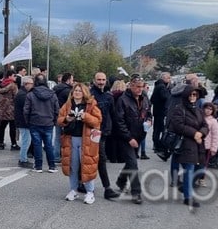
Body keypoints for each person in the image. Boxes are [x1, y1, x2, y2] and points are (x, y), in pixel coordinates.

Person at [57, 82, 102, 204]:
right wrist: (66, 119)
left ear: (84, 93)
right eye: (75, 90)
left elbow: (97, 121)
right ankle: (73, 190)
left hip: (86, 140)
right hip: (71, 139)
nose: (77, 93)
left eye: (80, 91)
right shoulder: (67, 105)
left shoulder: (91, 104)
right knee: (73, 166)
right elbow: (59, 120)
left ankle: (90, 192)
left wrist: (85, 116)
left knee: (87, 166)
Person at [113, 76, 151, 204]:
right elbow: (119, 121)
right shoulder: (123, 100)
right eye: (138, 87)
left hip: (139, 135)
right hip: (126, 137)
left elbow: (148, 113)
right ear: (131, 86)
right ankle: (136, 192)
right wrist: (129, 138)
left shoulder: (144, 98)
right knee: (133, 163)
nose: (140, 89)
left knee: (130, 162)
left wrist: (149, 120)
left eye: (142, 86)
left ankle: (121, 180)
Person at [168, 86, 208, 208]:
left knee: (198, 169)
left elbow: (205, 125)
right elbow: (178, 126)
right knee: (189, 169)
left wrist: (201, 133)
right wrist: (194, 133)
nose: (192, 97)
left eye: (194, 95)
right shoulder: (179, 109)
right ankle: (188, 197)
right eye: (190, 95)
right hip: (185, 143)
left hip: (198, 144)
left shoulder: (199, 110)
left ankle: (185, 187)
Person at [90, 72, 120, 200]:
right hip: (92, 131)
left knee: (98, 158)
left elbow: (113, 114)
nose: (101, 82)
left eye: (103, 79)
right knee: (98, 159)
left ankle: (84, 182)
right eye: (99, 79)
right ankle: (106, 188)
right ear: (94, 80)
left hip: (104, 132)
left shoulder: (109, 96)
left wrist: (116, 131)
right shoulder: (90, 95)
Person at [24, 74, 59, 173]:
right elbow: (57, 110)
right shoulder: (52, 94)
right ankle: (52, 166)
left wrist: (28, 121)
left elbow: (26, 110)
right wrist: (54, 121)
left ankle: (38, 166)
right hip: (48, 122)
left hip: (34, 122)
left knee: (37, 145)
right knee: (48, 145)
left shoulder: (30, 94)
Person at [0, 69, 19, 150]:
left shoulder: (0, 85)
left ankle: (1, 143)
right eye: (14, 76)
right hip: (11, 109)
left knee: (2, 126)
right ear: (10, 76)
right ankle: (13, 144)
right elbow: (16, 97)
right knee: (12, 127)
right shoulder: (13, 86)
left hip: (2, 109)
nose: (15, 77)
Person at [13, 76, 34, 169]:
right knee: (26, 141)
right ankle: (22, 160)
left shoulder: (22, 93)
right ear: (26, 84)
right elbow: (27, 107)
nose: (32, 85)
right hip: (23, 121)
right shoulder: (23, 95)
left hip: (22, 121)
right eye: (31, 84)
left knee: (26, 140)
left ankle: (23, 159)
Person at [150, 72, 171, 149]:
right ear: (164, 78)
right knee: (160, 129)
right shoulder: (162, 87)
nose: (170, 79)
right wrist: (169, 93)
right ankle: (159, 144)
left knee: (156, 129)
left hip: (157, 110)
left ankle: (156, 144)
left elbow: (152, 99)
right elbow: (165, 97)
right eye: (168, 78)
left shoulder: (157, 86)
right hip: (161, 111)